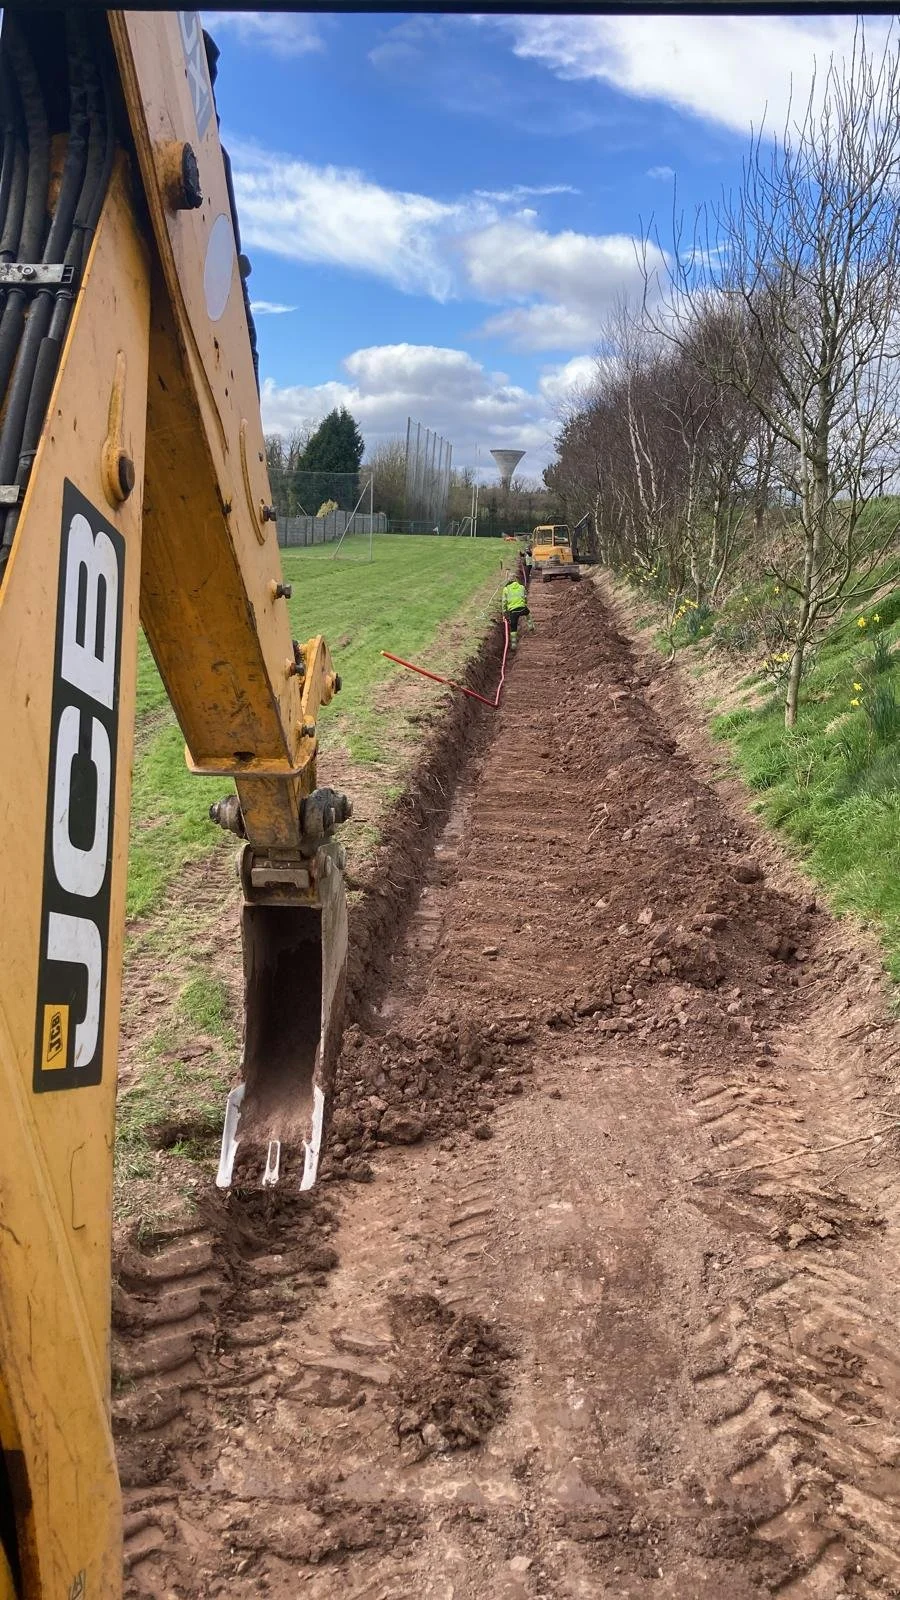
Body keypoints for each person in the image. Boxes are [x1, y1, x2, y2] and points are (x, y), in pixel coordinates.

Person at [501, 572, 530, 650]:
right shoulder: (521, 587)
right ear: (516, 579)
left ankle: (513, 644)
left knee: (513, 627)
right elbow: (525, 596)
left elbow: (504, 602)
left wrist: (504, 612)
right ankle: (531, 626)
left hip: (513, 611)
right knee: (528, 613)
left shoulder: (506, 589)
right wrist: (524, 603)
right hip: (522, 608)